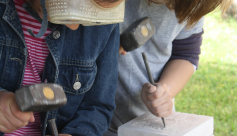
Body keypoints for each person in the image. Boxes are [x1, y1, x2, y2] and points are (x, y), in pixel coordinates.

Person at [105, 0, 233, 135]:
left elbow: (185, 53)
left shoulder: (190, 4)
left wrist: (164, 92)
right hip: (94, 120)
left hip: (147, 124)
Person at [0, 0, 124, 136]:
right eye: (73, 8)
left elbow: (99, 105)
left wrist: (76, 133)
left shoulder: (107, 20)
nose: (74, 27)